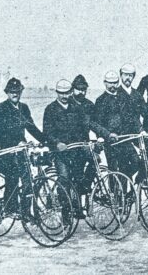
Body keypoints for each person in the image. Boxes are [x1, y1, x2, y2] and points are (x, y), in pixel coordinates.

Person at [44, 79, 110, 219]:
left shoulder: (77, 108)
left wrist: (106, 134)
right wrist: (57, 143)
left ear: (70, 92)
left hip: (77, 149)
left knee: (94, 159)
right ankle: (66, 214)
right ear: (57, 93)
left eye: (67, 93)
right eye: (61, 93)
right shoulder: (50, 109)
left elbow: (89, 124)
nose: (64, 96)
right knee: (64, 179)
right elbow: (47, 133)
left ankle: (83, 191)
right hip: (61, 152)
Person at [0, 77, 50, 217]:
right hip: (8, 150)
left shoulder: (24, 108)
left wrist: (45, 141)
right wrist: (14, 143)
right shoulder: (1, 109)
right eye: (11, 92)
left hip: (22, 150)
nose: (14, 94)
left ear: (21, 91)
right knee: (14, 175)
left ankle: (25, 211)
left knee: (28, 181)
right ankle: (11, 208)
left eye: (17, 91)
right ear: (7, 93)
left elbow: (31, 127)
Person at [94, 71, 140, 179]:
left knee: (137, 163)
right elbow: (95, 123)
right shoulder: (100, 100)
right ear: (105, 83)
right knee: (113, 171)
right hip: (110, 142)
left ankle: (125, 188)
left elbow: (133, 117)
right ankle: (115, 194)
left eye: (115, 82)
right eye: (110, 83)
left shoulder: (125, 97)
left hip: (125, 139)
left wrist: (140, 130)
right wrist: (107, 134)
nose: (112, 85)